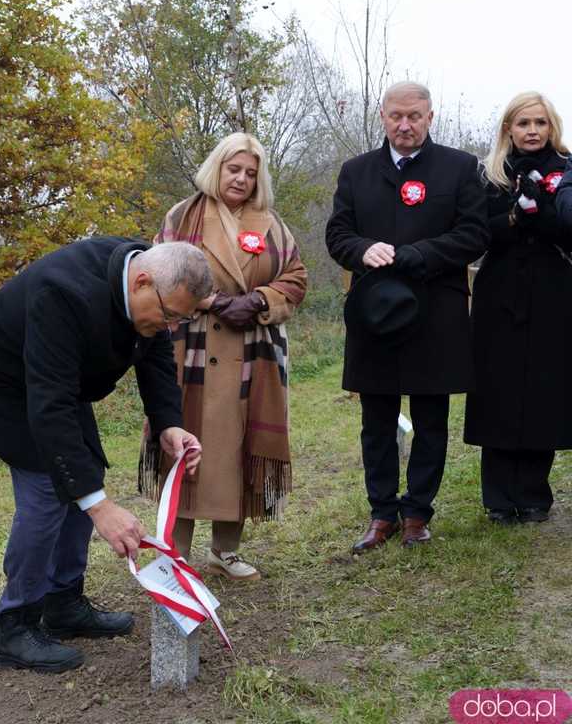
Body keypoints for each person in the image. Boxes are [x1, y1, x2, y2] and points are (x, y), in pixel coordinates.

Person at [0, 237, 212, 673]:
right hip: (1, 376)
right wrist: (100, 507)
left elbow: (156, 353)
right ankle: (15, 625)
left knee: (82, 467)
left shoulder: (149, 274)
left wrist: (169, 422)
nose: (170, 326)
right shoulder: (64, 293)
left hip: (55, 377)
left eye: (179, 319)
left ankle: (63, 602)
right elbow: (48, 408)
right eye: (168, 315)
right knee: (48, 488)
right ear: (142, 282)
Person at [326, 81, 489, 553]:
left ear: (430, 116)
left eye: (414, 116)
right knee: (376, 419)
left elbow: (474, 234)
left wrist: (418, 254)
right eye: (396, 116)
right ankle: (381, 515)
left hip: (436, 313)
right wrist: (362, 249)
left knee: (431, 417)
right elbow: (338, 234)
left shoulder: (460, 168)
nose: (405, 125)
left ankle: (418, 512)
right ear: (382, 116)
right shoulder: (356, 172)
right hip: (375, 315)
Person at [140, 132, 307, 580]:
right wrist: (214, 302)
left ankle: (224, 552)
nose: (241, 178)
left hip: (253, 352)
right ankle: (175, 554)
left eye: (251, 173)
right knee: (184, 443)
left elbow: (295, 277)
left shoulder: (271, 223)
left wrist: (257, 301)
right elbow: (155, 272)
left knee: (239, 449)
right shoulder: (182, 215)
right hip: (191, 347)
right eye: (234, 169)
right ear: (218, 167)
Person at [464, 92, 572, 524]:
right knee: (498, 388)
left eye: (540, 123)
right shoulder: (488, 175)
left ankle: (532, 495)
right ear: (508, 127)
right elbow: (474, 234)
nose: (532, 131)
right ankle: (497, 497)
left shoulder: (565, 169)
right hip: (499, 292)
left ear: (551, 127)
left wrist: (544, 214)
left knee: (544, 387)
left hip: (552, 291)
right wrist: (512, 218)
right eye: (523, 123)